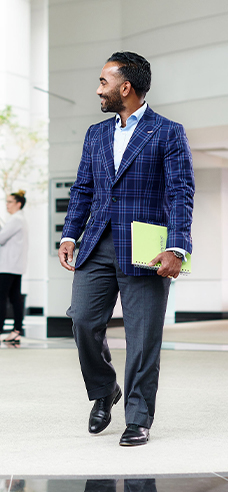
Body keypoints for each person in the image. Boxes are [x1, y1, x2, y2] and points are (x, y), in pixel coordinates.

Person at [59, 51, 194, 446]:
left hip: (145, 250)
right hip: (97, 244)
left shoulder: (167, 132)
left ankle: (138, 417)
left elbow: (180, 193)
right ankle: (104, 390)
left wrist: (177, 248)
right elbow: (84, 189)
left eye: (103, 82)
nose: (97, 89)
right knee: (83, 320)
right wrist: (70, 235)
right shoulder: (96, 134)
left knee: (142, 336)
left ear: (125, 87)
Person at [0, 191, 28, 347]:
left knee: (1, 298)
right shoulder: (20, 219)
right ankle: (16, 330)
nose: (7, 204)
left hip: (8, 266)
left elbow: (0, 239)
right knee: (15, 298)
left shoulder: (15, 219)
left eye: (10, 202)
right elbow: (5, 236)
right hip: (15, 266)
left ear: (18, 203)